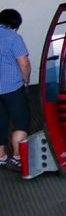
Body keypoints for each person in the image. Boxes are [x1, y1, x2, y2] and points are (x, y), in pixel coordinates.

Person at [0, 9, 32, 172]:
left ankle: (1, 157)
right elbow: (24, 63)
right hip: (12, 87)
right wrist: (26, 80)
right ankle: (18, 158)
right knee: (20, 122)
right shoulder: (13, 37)